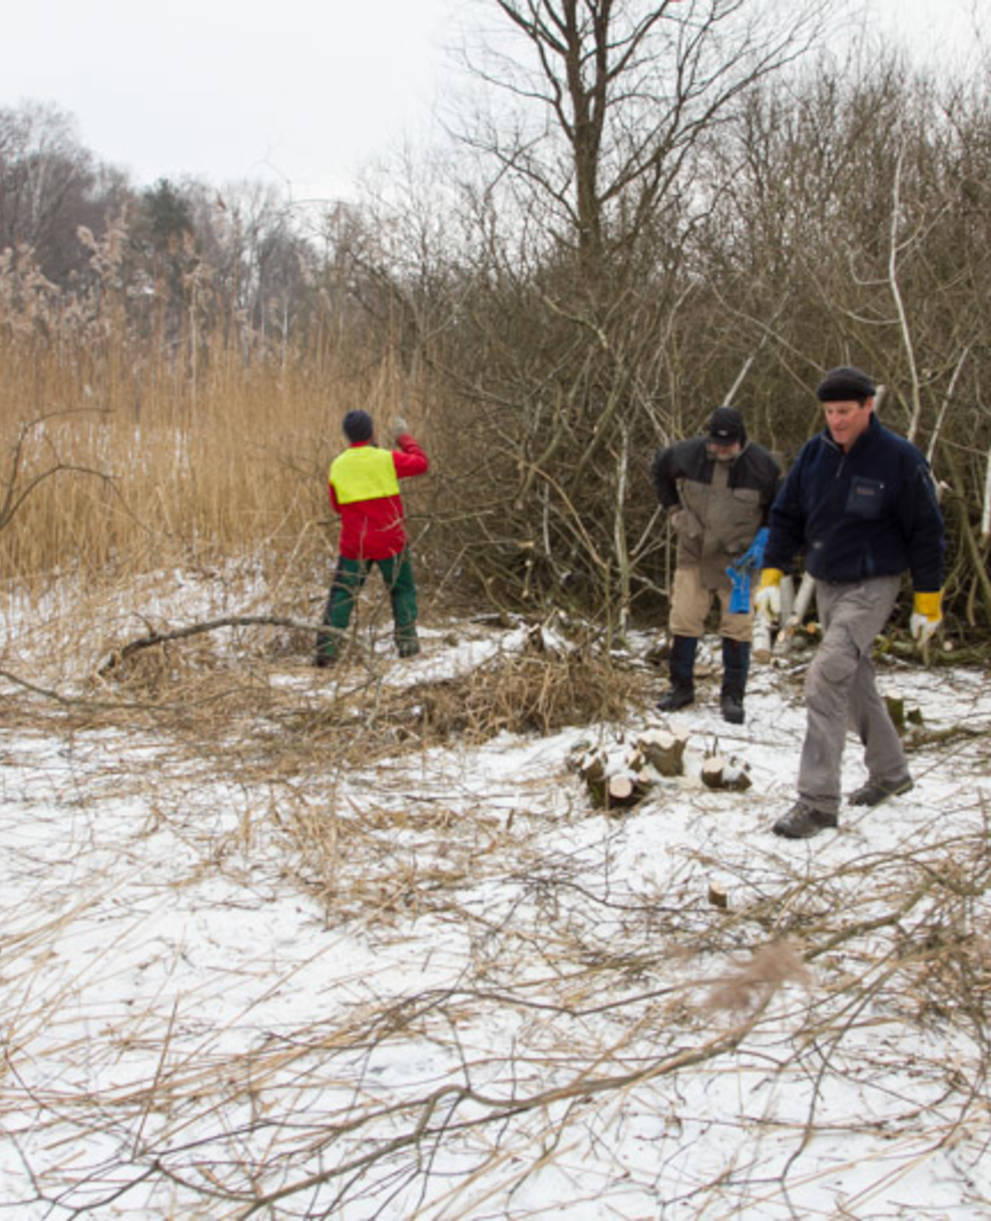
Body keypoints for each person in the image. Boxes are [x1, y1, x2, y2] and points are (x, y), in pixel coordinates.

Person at [756, 366, 945, 839]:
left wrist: (928, 599)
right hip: (827, 583)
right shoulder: (814, 456)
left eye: (845, 411)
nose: (836, 421)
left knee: (825, 677)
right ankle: (891, 774)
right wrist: (772, 572)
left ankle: (817, 802)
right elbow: (786, 516)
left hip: (874, 584)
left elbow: (927, 532)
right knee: (854, 679)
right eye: (829, 412)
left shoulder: (899, 458)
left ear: (868, 407)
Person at [651, 406, 782, 723]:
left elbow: (781, 507)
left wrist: (765, 540)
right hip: (694, 552)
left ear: (741, 440)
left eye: (728, 445)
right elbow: (658, 470)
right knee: (684, 618)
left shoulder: (764, 466)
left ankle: (732, 696)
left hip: (739, 560)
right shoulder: (685, 454)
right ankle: (680, 688)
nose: (721, 451)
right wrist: (674, 511)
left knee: (737, 627)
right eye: (716, 444)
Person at [315, 409, 429, 665]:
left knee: (343, 595)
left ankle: (327, 651)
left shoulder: (338, 465)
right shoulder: (386, 459)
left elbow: (336, 505)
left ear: (347, 435)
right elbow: (421, 463)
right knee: (402, 591)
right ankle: (408, 647)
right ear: (372, 431)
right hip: (391, 541)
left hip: (355, 544)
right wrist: (404, 437)